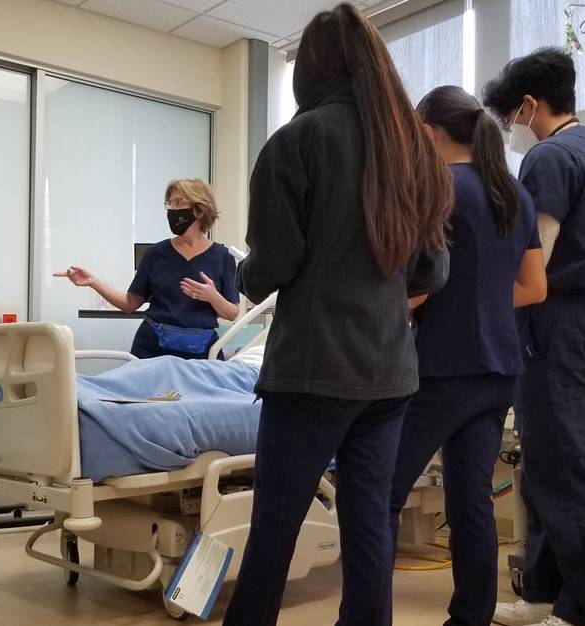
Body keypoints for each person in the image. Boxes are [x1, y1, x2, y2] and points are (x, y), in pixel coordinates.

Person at [221, 5, 453, 626]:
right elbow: (433, 272)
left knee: (274, 525)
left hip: (313, 373)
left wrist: (243, 272)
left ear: (312, 68)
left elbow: (271, 266)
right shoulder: (414, 153)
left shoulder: (298, 141)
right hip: (390, 377)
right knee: (371, 523)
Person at [389, 86, 547, 626]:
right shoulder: (513, 192)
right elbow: (534, 287)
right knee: (471, 502)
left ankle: (365, 613)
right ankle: (470, 619)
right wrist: (478, 299)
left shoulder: (435, 188)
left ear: (428, 132)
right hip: (502, 368)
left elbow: (417, 287)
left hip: (443, 367)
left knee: (381, 493)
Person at [484, 48, 585, 626]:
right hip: (571, 325)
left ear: (528, 104)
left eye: (513, 116)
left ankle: (575, 606)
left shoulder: (549, 158)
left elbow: (533, 268)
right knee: (555, 463)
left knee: (558, 466)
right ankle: (544, 591)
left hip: (555, 326)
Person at [54, 179, 240, 359]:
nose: (172, 210)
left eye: (179, 202)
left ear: (200, 208)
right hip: (152, 348)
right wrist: (94, 282)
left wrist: (212, 296)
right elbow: (130, 303)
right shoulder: (156, 254)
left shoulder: (222, 256)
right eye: (169, 204)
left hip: (200, 352)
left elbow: (231, 313)